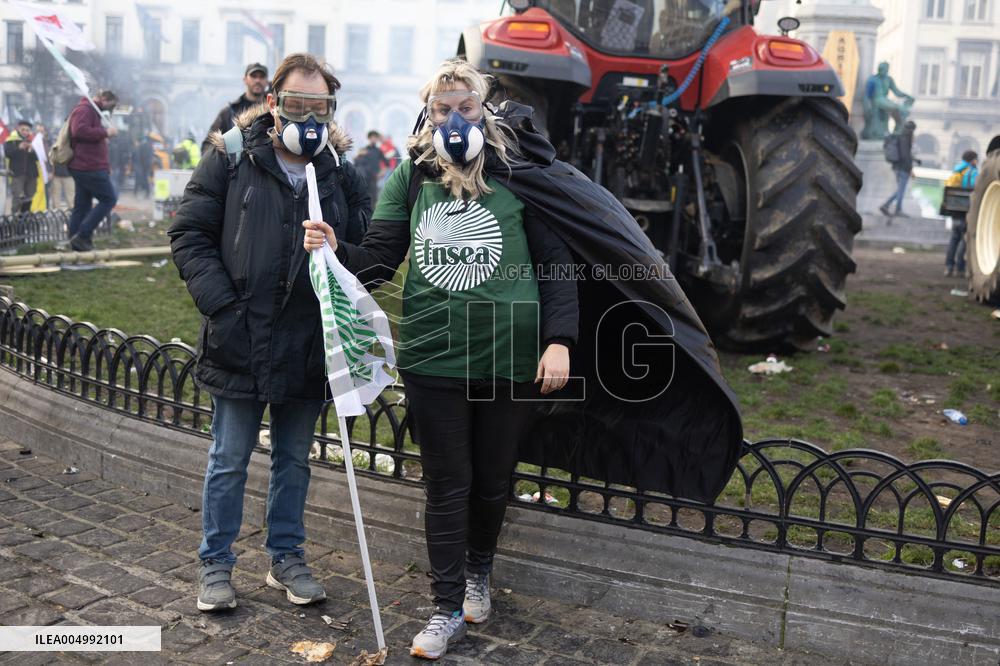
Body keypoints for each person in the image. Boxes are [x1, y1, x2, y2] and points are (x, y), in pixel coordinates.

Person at [303, 59, 579, 660]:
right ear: (427, 115)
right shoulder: (413, 178)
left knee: (491, 481)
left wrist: (560, 340)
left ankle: (479, 569)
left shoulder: (522, 175)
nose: (454, 120)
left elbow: (558, 266)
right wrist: (333, 250)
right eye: (441, 109)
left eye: (466, 108)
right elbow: (379, 259)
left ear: (485, 109)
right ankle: (446, 606)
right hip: (435, 356)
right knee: (448, 484)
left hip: (512, 356)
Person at [169, 53, 371, 613]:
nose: (307, 116)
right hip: (240, 336)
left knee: (293, 460)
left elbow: (368, 247)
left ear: (331, 110)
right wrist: (222, 308)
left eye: (319, 107)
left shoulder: (337, 171)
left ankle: (286, 557)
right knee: (229, 457)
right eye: (296, 104)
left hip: (306, 341)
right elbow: (189, 235)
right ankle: (215, 563)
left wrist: (339, 248)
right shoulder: (232, 157)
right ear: (274, 103)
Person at [66, 90, 119, 251]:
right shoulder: (86, 109)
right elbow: (79, 131)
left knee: (82, 205)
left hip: (84, 165)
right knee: (109, 199)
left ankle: (76, 241)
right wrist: (106, 133)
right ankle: (83, 234)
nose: (110, 110)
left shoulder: (90, 110)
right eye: (111, 105)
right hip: (89, 166)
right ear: (104, 99)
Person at [201, 63, 269, 153]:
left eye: (261, 77)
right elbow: (208, 145)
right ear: (245, 80)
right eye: (253, 76)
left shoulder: (273, 112)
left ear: (267, 81)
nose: (257, 80)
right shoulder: (229, 112)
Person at [944, 150, 978, 277]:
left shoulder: (956, 170)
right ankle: (960, 266)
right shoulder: (972, 171)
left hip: (955, 210)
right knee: (965, 239)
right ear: (973, 160)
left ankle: (948, 266)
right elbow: (976, 188)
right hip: (966, 210)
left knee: (954, 239)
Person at [879, 120, 920, 219]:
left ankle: (887, 206)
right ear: (911, 129)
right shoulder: (905, 138)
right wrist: (910, 169)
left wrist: (915, 159)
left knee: (900, 190)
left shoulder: (901, 137)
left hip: (898, 167)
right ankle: (895, 209)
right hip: (903, 168)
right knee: (901, 190)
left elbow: (904, 154)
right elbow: (905, 155)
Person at [6, 120, 38, 214]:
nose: (25, 132)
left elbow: (39, 158)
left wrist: (31, 150)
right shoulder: (11, 140)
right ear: (18, 129)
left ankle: (25, 217)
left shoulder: (34, 141)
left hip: (31, 174)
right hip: (17, 173)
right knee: (17, 196)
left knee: (29, 196)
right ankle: (14, 217)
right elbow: (8, 154)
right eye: (23, 129)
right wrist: (19, 148)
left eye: (27, 130)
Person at [353, 130, 387, 204]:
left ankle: (372, 214)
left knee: (373, 197)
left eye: (375, 137)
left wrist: (382, 173)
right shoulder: (363, 150)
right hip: (364, 177)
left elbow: (386, 163)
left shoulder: (378, 151)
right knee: (363, 196)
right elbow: (356, 162)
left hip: (374, 177)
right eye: (372, 137)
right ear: (369, 138)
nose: (374, 139)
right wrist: (358, 155)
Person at [133, 133, 154, 198]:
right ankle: (147, 192)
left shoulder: (142, 146)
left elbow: (140, 156)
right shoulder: (150, 146)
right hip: (146, 165)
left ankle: (137, 192)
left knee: (141, 178)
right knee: (145, 178)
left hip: (142, 165)